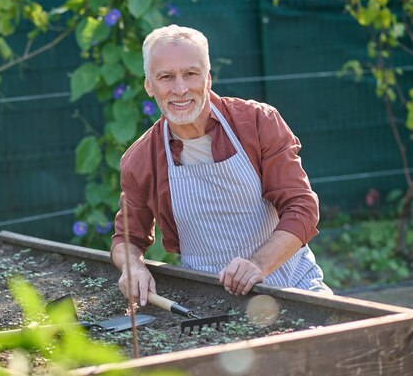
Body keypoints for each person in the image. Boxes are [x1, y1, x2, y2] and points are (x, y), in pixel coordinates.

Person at [110, 24, 331, 306]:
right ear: (149, 86)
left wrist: (258, 264)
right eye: (166, 77)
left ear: (208, 79)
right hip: (212, 305)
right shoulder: (141, 160)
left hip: (294, 288)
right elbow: (127, 238)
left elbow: (302, 207)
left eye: (190, 74)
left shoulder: (257, 122)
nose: (180, 89)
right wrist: (132, 266)